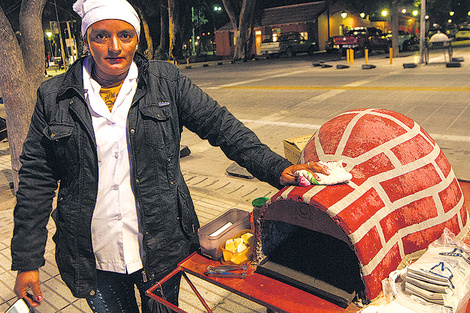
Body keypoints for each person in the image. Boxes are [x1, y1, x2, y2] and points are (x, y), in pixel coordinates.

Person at [10, 0, 329, 312]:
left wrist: (278, 167)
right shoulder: (54, 97)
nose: (114, 47)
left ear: (137, 38)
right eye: (101, 36)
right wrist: (27, 261)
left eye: (125, 35)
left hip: (161, 248)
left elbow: (221, 127)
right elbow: (36, 179)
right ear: (86, 41)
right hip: (93, 255)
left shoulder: (166, 83)